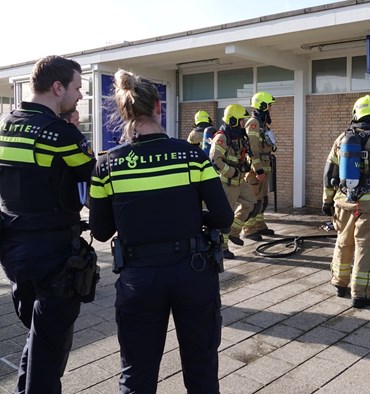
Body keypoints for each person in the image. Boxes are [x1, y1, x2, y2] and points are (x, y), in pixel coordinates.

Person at [88, 69, 233, 393]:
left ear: (125, 112)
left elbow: (99, 230)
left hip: (138, 278)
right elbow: (224, 217)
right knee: (201, 371)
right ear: (158, 108)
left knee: (136, 376)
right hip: (194, 272)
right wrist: (194, 220)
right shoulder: (191, 155)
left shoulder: (107, 165)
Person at [0, 55, 96, 393]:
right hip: (54, 252)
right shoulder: (61, 134)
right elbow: (95, 178)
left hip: (12, 250)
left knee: (39, 334)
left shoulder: (4, 124)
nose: (80, 96)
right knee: (50, 345)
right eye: (76, 88)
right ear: (57, 87)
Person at [322, 95, 370, 308]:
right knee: (366, 246)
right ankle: (361, 294)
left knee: (344, 241)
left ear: (356, 113)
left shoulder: (341, 138)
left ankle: (340, 283)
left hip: (343, 201)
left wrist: (327, 200)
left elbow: (329, 172)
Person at [210, 104, 257, 258]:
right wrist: (230, 172)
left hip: (240, 180)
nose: (244, 123)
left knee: (252, 204)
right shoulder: (222, 137)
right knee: (226, 215)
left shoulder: (240, 136)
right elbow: (214, 159)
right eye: (241, 120)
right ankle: (222, 248)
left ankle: (234, 233)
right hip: (227, 182)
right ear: (233, 121)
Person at [242, 91, 277, 241]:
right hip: (256, 169)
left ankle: (259, 225)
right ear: (262, 106)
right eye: (269, 106)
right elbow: (252, 149)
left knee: (262, 198)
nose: (270, 109)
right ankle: (248, 229)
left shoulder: (262, 124)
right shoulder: (254, 123)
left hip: (264, 166)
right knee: (253, 200)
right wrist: (258, 169)